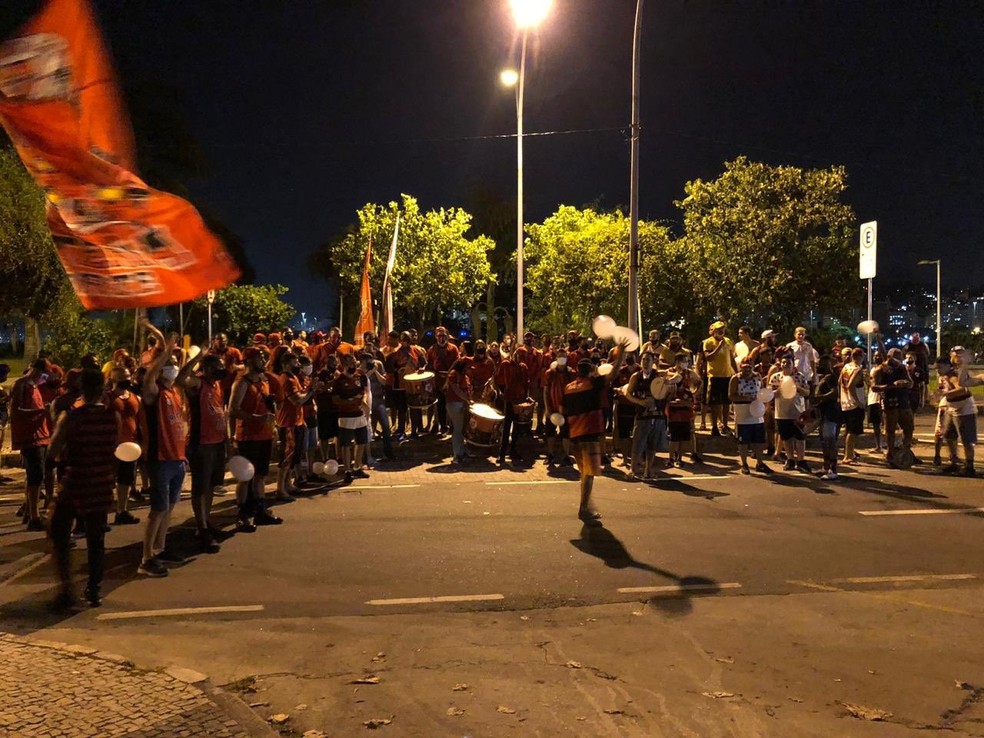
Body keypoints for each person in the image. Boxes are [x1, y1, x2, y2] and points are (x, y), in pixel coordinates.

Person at [47, 368, 120, 610]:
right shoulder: (112, 417)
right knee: (96, 540)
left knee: (58, 532)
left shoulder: (71, 417)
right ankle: (94, 589)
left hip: (76, 483)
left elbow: (53, 451)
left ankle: (67, 589)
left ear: (81, 389)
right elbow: (114, 449)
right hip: (101, 483)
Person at [138, 324, 188, 578]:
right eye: (170, 363)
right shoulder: (153, 391)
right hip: (159, 459)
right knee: (157, 509)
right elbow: (148, 376)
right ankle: (146, 558)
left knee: (168, 507)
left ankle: (160, 548)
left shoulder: (173, 392)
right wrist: (165, 349)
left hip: (176, 458)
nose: (174, 365)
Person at [563, 340, 627, 520]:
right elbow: (613, 375)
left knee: (584, 471)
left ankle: (585, 504)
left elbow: (563, 410)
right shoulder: (593, 383)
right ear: (591, 371)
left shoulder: (569, 388)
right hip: (590, 433)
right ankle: (584, 508)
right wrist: (620, 353)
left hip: (575, 435)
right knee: (589, 473)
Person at [229, 346, 283, 530]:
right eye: (260, 358)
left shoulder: (264, 381)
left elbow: (268, 408)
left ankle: (260, 510)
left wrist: (272, 426)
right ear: (250, 361)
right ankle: (243, 514)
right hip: (248, 436)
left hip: (265, 435)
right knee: (245, 477)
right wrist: (257, 419)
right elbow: (233, 410)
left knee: (261, 475)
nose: (264, 361)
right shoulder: (242, 383)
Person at [183, 353, 227, 553]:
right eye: (217, 367)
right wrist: (196, 358)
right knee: (200, 487)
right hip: (201, 443)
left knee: (210, 485)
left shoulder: (216, 385)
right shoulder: (197, 384)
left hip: (217, 442)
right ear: (206, 369)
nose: (221, 370)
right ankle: (201, 529)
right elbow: (181, 379)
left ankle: (206, 522)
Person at [10, 357, 51, 530]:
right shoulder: (22, 385)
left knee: (36, 475)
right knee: (36, 476)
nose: (44, 378)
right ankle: (34, 517)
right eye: (44, 374)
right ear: (36, 371)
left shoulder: (35, 387)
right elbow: (16, 410)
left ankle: (29, 511)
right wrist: (41, 411)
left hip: (40, 436)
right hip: (29, 438)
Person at [106, 367, 142, 525]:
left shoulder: (135, 397)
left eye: (128, 376)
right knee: (108, 480)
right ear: (113, 380)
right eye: (122, 378)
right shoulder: (107, 398)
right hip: (112, 446)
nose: (126, 380)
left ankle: (122, 510)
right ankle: (103, 515)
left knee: (126, 480)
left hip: (130, 446)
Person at [624, 352, 668, 479]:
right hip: (642, 415)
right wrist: (640, 402)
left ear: (653, 361)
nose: (645, 362)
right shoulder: (636, 377)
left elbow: (668, 389)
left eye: (648, 360)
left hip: (657, 414)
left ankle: (648, 470)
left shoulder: (658, 376)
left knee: (652, 444)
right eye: (643, 359)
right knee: (638, 443)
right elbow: (628, 394)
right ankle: (633, 469)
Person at [941, 346, 984, 476]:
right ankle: (955, 462)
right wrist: (965, 364)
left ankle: (969, 466)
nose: (959, 357)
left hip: (965, 409)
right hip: (953, 408)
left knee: (967, 439)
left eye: (961, 354)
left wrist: (947, 394)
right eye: (957, 354)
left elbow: (962, 386)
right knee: (949, 435)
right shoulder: (953, 370)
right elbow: (964, 382)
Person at [871, 348, 915, 467]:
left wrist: (906, 384)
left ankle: (905, 450)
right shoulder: (880, 369)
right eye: (895, 356)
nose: (898, 358)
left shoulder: (901, 368)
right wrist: (891, 386)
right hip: (890, 402)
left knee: (909, 427)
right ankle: (890, 452)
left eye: (899, 356)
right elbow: (874, 387)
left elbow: (911, 383)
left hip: (903, 401)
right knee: (890, 430)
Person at [728, 359, 771, 475]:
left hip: (757, 413)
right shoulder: (736, 379)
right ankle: (744, 463)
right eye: (744, 367)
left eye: (749, 367)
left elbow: (762, 391)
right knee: (743, 442)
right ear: (741, 367)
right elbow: (731, 396)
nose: (747, 369)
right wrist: (745, 399)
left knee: (759, 440)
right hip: (743, 414)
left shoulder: (757, 376)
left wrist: (765, 405)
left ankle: (760, 463)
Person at [769, 354, 811, 473]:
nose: (785, 365)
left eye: (788, 363)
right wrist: (780, 390)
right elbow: (770, 393)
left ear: (793, 364)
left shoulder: (799, 376)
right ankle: (790, 459)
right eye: (783, 362)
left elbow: (807, 392)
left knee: (800, 437)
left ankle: (801, 460)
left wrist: (797, 388)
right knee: (786, 437)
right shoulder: (776, 377)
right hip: (782, 413)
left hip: (798, 413)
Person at [333, 352, 370, 480]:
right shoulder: (339, 381)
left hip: (360, 415)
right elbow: (336, 399)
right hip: (346, 416)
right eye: (350, 363)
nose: (353, 364)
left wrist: (363, 400)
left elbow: (364, 391)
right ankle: (347, 470)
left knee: (361, 442)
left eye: (354, 361)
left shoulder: (360, 377)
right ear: (343, 365)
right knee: (346, 444)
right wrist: (350, 401)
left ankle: (357, 467)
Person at [494, 346, 529, 464]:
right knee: (506, 427)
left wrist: (526, 397)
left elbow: (526, 384)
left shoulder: (524, 367)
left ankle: (513, 450)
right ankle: (502, 453)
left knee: (518, 427)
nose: (520, 359)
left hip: (519, 400)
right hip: (508, 399)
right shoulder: (506, 364)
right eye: (519, 356)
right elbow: (497, 380)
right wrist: (500, 393)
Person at [701, 321, 736, 436]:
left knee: (726, 402)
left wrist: (736, 372)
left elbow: (731, 359)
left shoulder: (728, 341)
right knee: (715, 403)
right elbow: (708, 358)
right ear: (714, 331)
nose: (721, 331)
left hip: (727, 376)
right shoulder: (708, 342)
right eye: (719, 329)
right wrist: (719, 346)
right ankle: (714, 426)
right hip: (714, 376)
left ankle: (725, 425)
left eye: (723, 329)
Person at [542, 347, 574, 467]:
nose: (562, 358)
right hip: (552, 407)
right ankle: (551, 454)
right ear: (556, 358)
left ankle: (565, 456)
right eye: (559, 356)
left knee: (566, 433)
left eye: (564, 356)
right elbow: (545, 391)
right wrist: (547, 408)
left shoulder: (571, 373)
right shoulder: (549, 373)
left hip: (566, 408)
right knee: (550, 432)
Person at [426, 326, 459, 437]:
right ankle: (443, 427)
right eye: (439, 336)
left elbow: (457, 364)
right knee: (440, 405)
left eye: (444, 335)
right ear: (436, 336)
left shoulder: (453, 348)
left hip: (450, 380)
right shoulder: (431, 349)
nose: (442, 338)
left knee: (452, 404)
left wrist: (451, 377)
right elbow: (429, 365)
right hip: (438, 381)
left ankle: (453, 427)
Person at [814, 355, 843, 481]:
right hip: (824, 413)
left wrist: (821, 398)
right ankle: (826, 467)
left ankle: (833, 468)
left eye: (820, 363)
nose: (817, 365)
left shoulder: (831, 377)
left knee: (830, 440)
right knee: (824, 441)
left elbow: (835, 393)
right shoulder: (823, 378)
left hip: (830, 413)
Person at [838, 347, 867, 465]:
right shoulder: (857, 369)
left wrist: (842, 396)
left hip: (845, 403)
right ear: (861, 356)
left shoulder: (846, 366)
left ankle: (850, 453)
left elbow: (840, 381)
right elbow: (850, 386)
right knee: (853, 431)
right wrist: (858, 402)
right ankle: (848, 456)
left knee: (849, 429)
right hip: (854, 404)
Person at [444, 358, 472, 464]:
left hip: (462, 404)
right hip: (455, 404)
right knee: (458, 429)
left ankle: (461, 451)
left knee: (461, 430)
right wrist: (466, 399)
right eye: (467, 367)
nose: (468, 369)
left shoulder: (465, 376)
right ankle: (457, 454)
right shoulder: (454, 374)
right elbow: (456, 389)